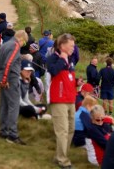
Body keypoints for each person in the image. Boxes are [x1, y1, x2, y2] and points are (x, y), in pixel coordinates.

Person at [47, 33, 79, 167]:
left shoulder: (71, 59)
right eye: (71, 45)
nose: (73, 47)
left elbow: (68, 76)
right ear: (62, 45)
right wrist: (62, 58)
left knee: (71, 129)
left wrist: (76, 82)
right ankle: (62, 160)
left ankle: (60, 156)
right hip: (59, 100)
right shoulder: (53, 58)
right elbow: (53, 71)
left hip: (70, 99)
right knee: (62, 130)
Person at [0, 29, 27, 144]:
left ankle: (3, 131)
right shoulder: (15, 46)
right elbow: (8, 63)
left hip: (3, 78)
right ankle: (12, 134)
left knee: (5, 106)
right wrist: (5, 79)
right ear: (21, 39)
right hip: (10, 80)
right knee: (14, 106)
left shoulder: (4, 45)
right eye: (24, 43)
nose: (23, 45)